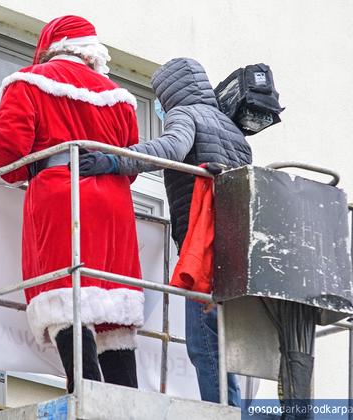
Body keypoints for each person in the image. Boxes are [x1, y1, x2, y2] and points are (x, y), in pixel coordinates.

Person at [78, 57, 252, 405]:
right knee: (223, 338)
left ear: (170, 93)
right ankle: (232, 408)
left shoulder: (185, 113)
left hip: (204, 242)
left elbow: (170, 148)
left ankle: (224, 412)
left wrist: (113, 159)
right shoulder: (234, 130)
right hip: (238, 244)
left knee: (204, 341)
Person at [0, 15, 144, 392]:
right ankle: (126, 395)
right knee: (112, 300)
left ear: (50, 47)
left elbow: (7, 154)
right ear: (91, 51)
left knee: (64, 293)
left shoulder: (28, 83)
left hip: (61, 196)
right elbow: (133, 163)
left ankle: (85, 388)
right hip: (114, 204)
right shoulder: (120, 98)